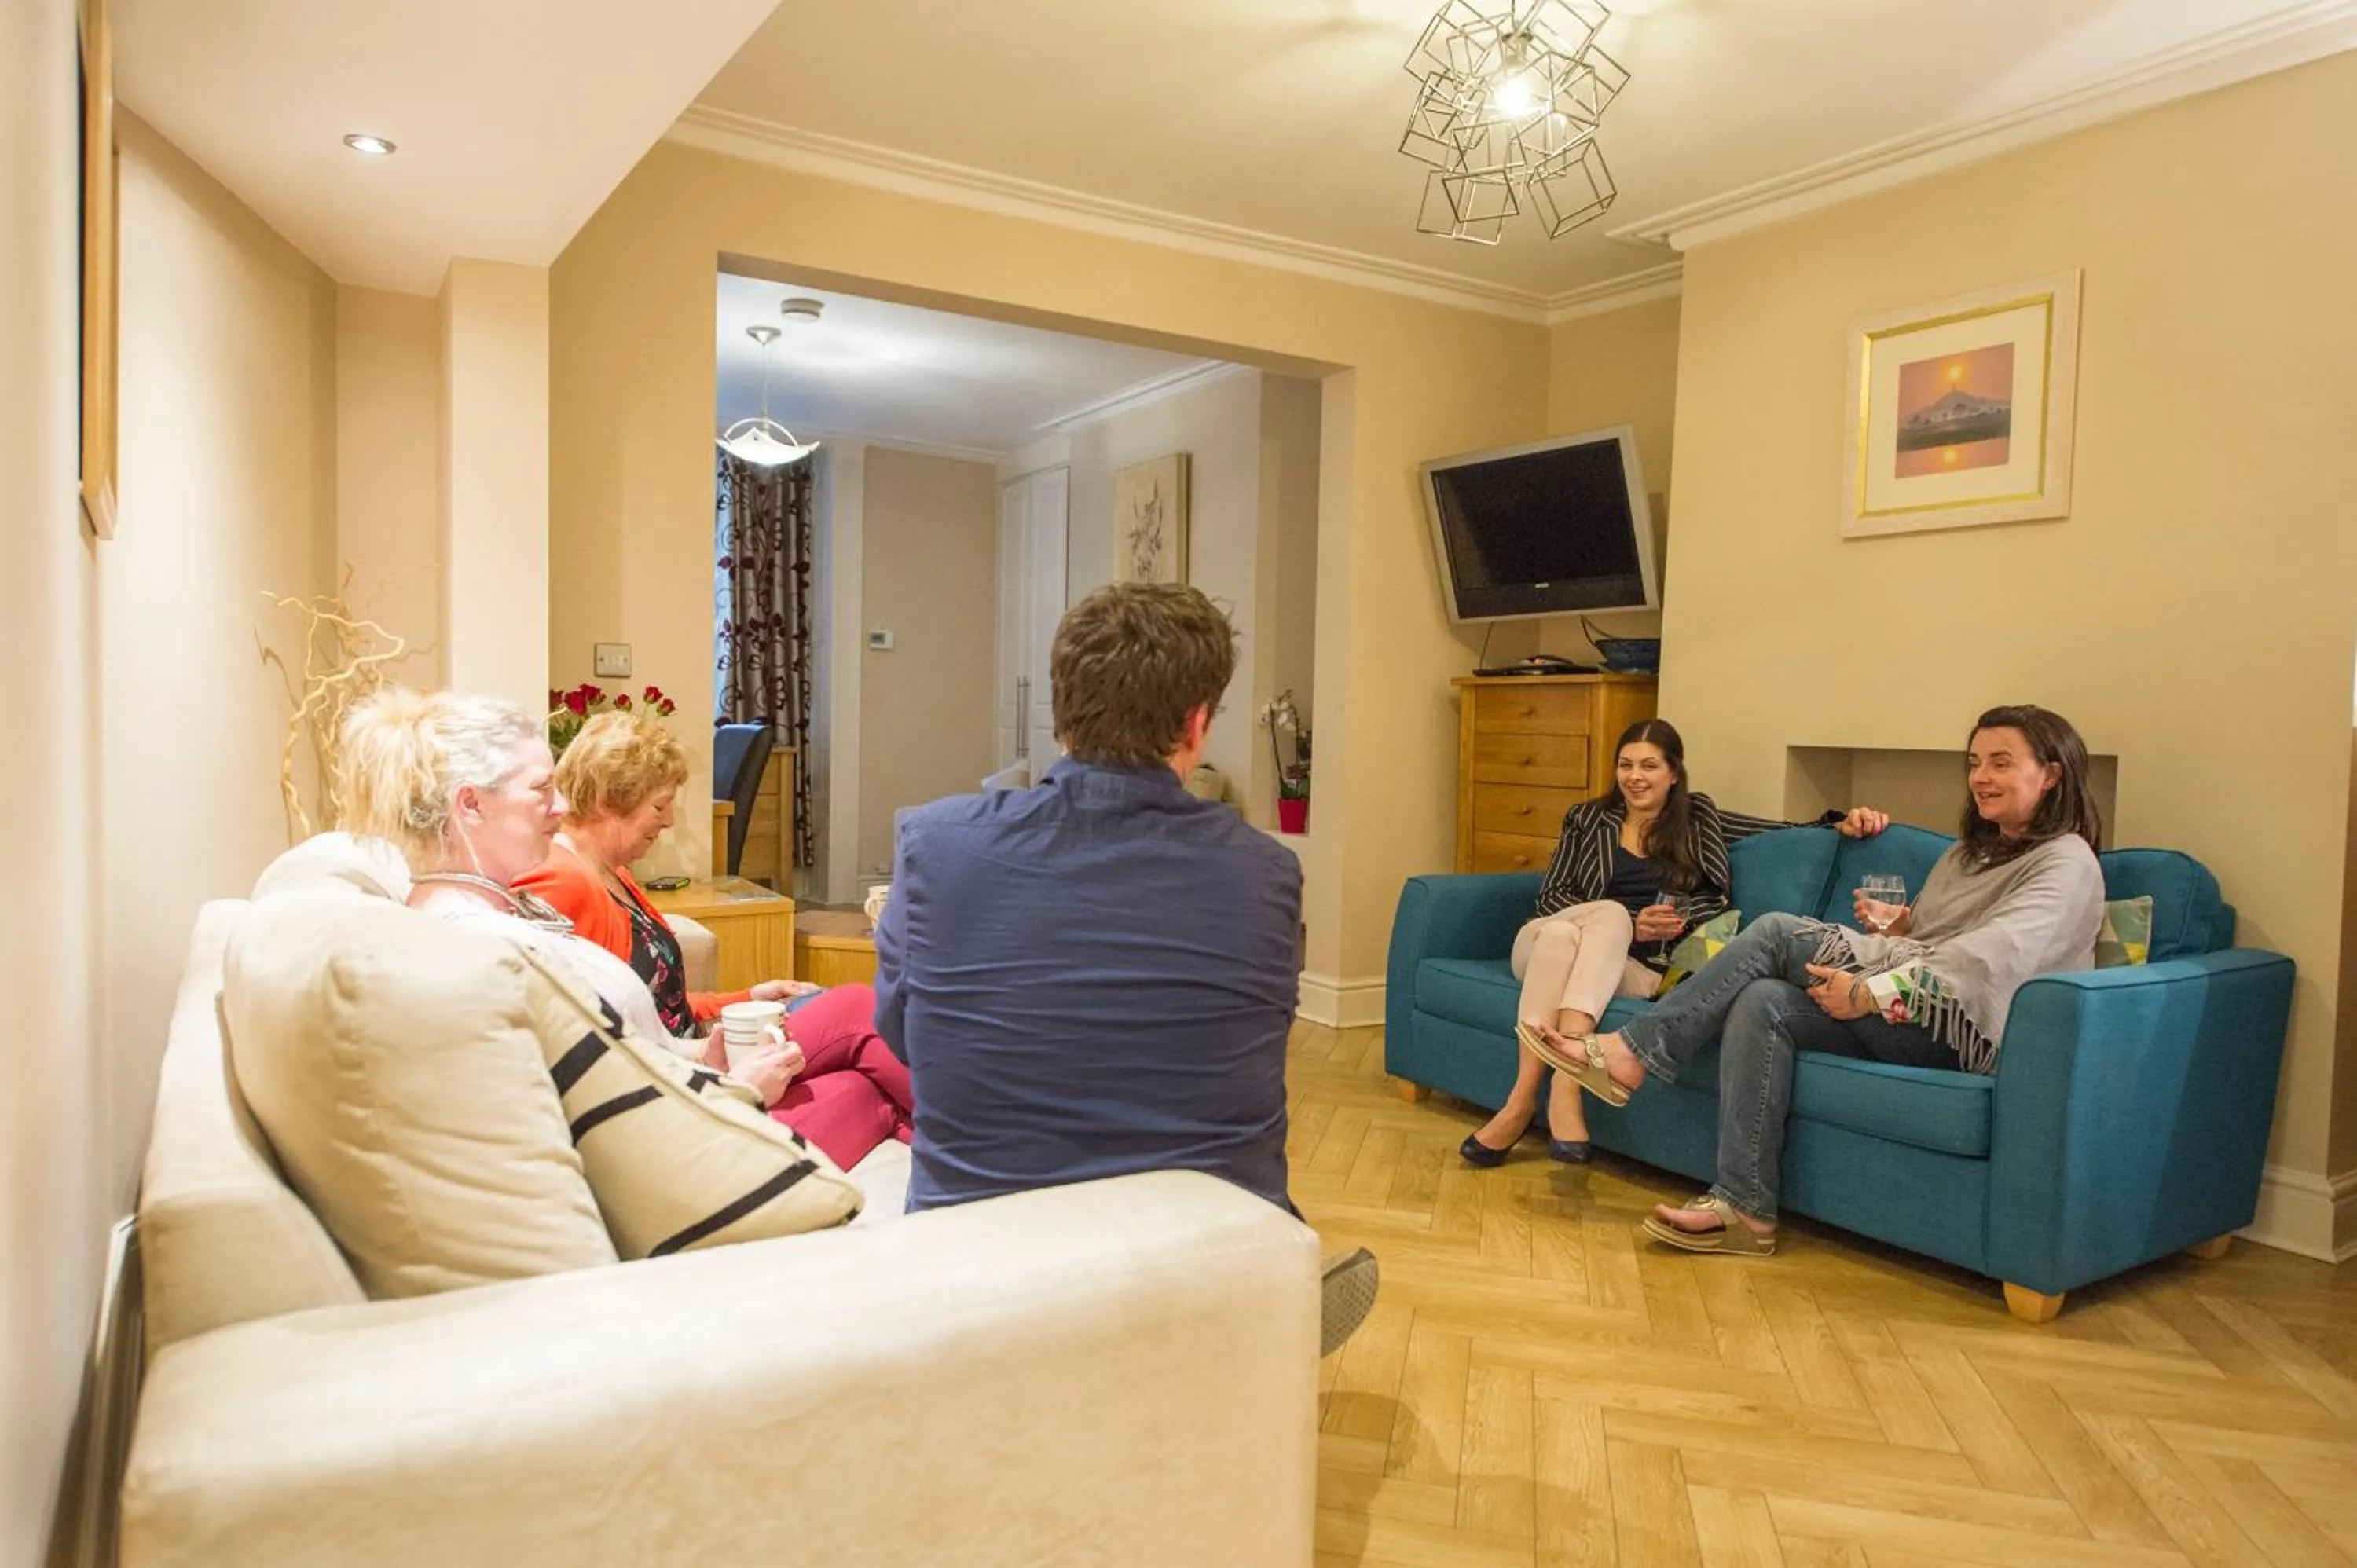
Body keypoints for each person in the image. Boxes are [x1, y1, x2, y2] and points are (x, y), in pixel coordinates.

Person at [874, 582, 1378, 1354]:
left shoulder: (937, 842)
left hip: (979, 1255)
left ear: (1060, 710)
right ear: (1197, 721)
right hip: (1206, 1248)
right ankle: (1263, 1310)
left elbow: (904, 1038)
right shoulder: (1265, 871)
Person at [1528, 705, 2105, 1256]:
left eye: (2000, 762)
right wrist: (1902, 929)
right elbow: (1932, 940)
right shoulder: (1967, 855)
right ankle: (1745, 1208)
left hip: (1962, 1033)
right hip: (1906, 1011)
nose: (1980, 776)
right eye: (1974, 762)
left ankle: (1634, 1053)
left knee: (1778, 932)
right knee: (1763, 1001)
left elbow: (1990, 960)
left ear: (2051, 774)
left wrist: (1867, 989)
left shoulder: (2067, 860)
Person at [340, 690, 910, 1171]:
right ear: (471, 805)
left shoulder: (498, 920)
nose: (561, 805)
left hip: (683, 1091)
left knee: (866, 1084)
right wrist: (738, 1089)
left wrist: (707, 1054)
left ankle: (975, 1145)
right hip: (678, 1148)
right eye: (541, 789)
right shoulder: (491, 948)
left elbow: (612, 1054)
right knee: (862, 1030)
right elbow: (593, 1116)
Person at [1464, 718, 1889, 1168]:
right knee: (1581, 925)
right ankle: (1566, 1091)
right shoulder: (1588, 819)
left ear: (1674, 774)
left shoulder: (1698, 818)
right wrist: (1631, 921)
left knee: (1573, 938)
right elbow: (1552, 897)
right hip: (1543, 941)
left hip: (1628, 969)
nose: (1635, 776)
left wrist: (1843, 822)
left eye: (1649, 765)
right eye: (1625, 765)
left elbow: (1782, 829)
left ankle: (1519, 1104)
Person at [517, 709, 914, 1165]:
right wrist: (707, 1065)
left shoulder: (611, 872)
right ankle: (981, 1128)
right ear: (611, 800)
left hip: (694, 1053)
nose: (666, 823)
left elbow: (657, 1003)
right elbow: (592, 1035)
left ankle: (962, 1132)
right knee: (854, 1014)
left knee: (861, 1069)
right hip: (676, 1079)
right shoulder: (558, 881)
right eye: (660, 805)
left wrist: (745, 996)